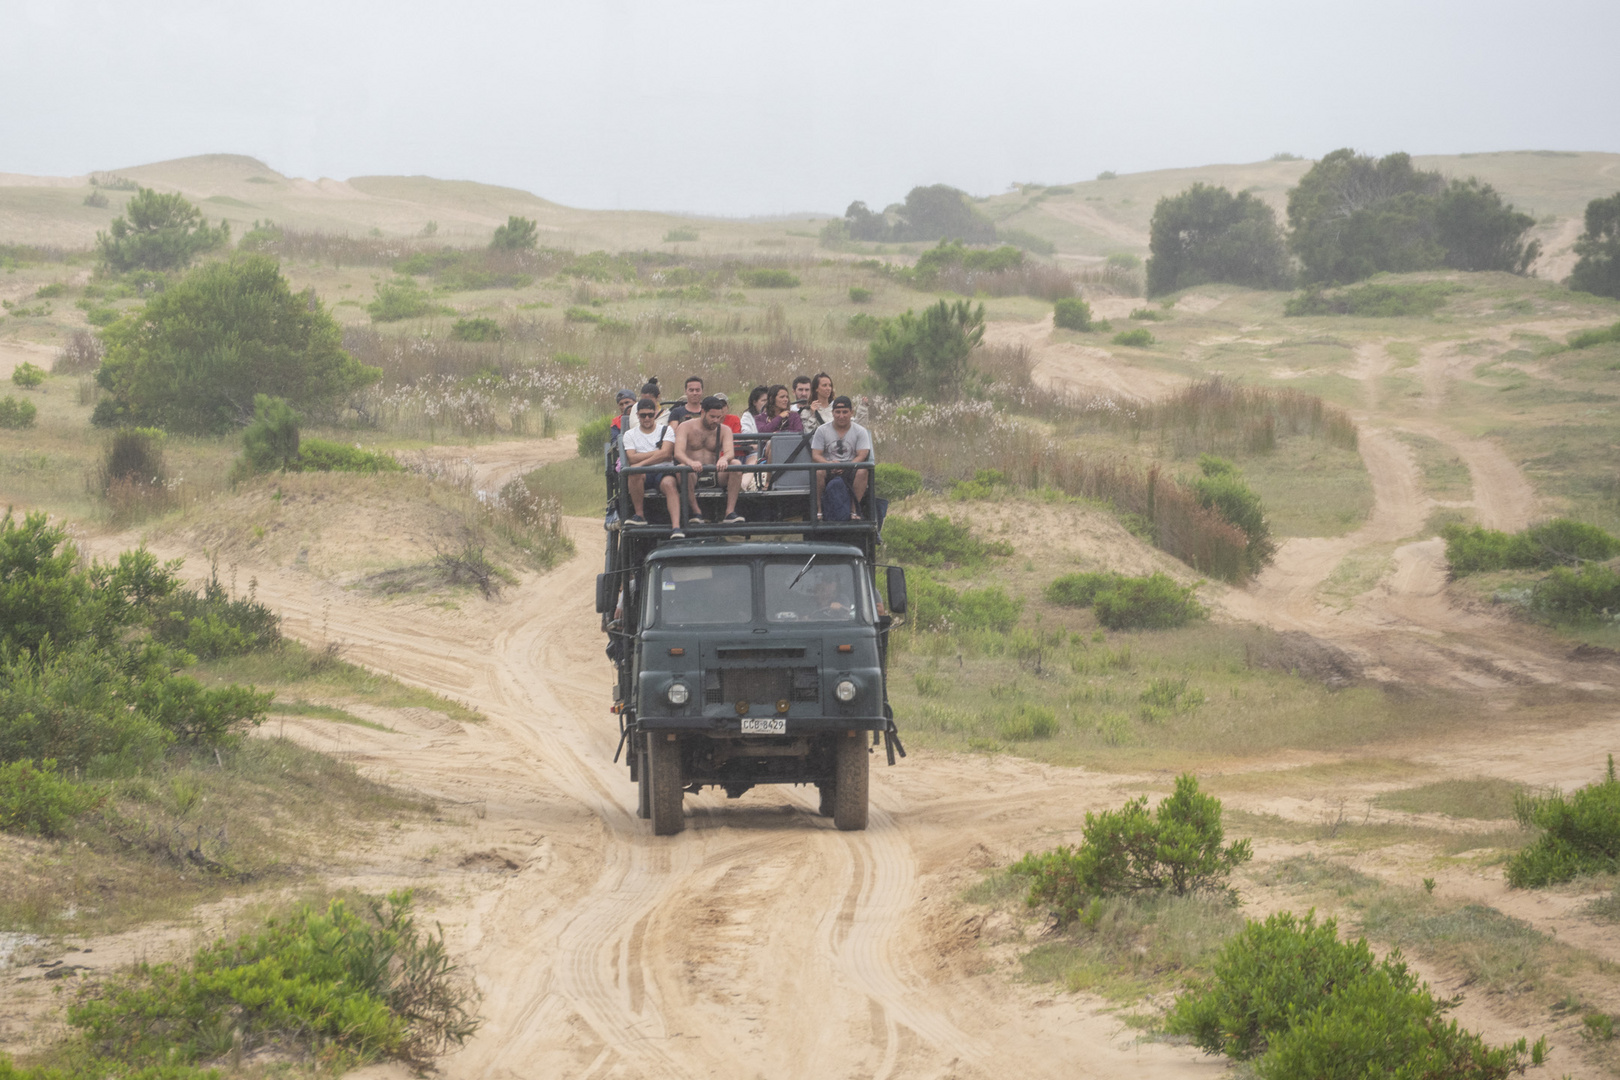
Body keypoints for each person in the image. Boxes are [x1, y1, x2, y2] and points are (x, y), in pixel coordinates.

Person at [672, 394, 746, 533]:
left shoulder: (724, 430)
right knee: (681, 468)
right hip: (693, 472)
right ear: (703, 412)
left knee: (735, 464)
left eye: (719, 417)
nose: (716, 421)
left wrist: (724, 459)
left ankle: (730, 512)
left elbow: (730, 452)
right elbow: (678, 453)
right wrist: (690, 462)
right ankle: (696, 512)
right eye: (712, 417)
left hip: (715, 473)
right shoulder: (685, 426)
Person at [621, 400, 681, 526]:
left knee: (670, 483)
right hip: (643, 474)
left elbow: (667, 454)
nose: (647, 418)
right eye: (643, 415)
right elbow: (631, 458)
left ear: (655, 414)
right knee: (634, 473)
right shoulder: (629, 434)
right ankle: (639, 514)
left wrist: (642, 462)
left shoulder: (666, 430)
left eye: (650, 415)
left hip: (663, 471)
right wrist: (658, 453)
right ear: (637, 415)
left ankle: (676, 526)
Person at [812, 395, 873, 519]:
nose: (841, 416)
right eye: (837, 412)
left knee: (863, 471)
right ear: (832, 413)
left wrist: (847, 466)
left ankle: (853, 510)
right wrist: (829, 464)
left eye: (845, 412)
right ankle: (818, 509)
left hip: (851, 468)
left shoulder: (860, 431)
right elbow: (816, 454)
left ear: (851, 412)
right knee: (818, 472)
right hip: (829, 467)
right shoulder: (821, 430)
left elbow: (862, 454)